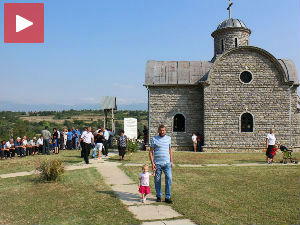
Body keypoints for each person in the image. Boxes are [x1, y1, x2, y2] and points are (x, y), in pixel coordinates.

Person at [149, 124, 173, 204]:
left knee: (169, 179)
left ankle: (167, 197)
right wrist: (152, 163)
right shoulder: (154, 139)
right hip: (157, 164)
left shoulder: (169, 139)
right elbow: (151, 152)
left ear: (165, 131)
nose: (162, 132)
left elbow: (170, 150)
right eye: (161, 130)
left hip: (167, 163)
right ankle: (158, 196)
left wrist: (171, 161)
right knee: (157, 180)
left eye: (163, 130)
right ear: (158, 131)